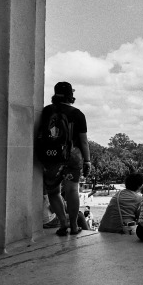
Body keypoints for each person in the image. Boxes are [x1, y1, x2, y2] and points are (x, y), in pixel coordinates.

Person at [39, 82, 91, 236]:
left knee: (53, 192)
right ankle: (74, 226)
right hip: (72, 155)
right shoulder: (77, 114)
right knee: (72, 191)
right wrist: (87, 160)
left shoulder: (47, 111)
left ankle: (63, 223)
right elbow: (83, 141)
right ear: (71, 95)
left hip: (51, 156)